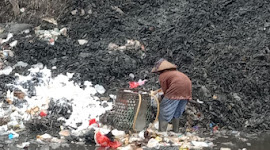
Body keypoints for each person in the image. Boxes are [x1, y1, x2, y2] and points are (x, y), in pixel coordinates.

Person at [151, 58, 192, 133]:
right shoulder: (176, 73)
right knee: (177, 110)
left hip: (176, 88)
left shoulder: (163, 76)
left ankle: (162, 132)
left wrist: (162, 99)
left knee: (164, 108)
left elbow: (165, 91)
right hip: (187, 88)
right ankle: (176, 131)